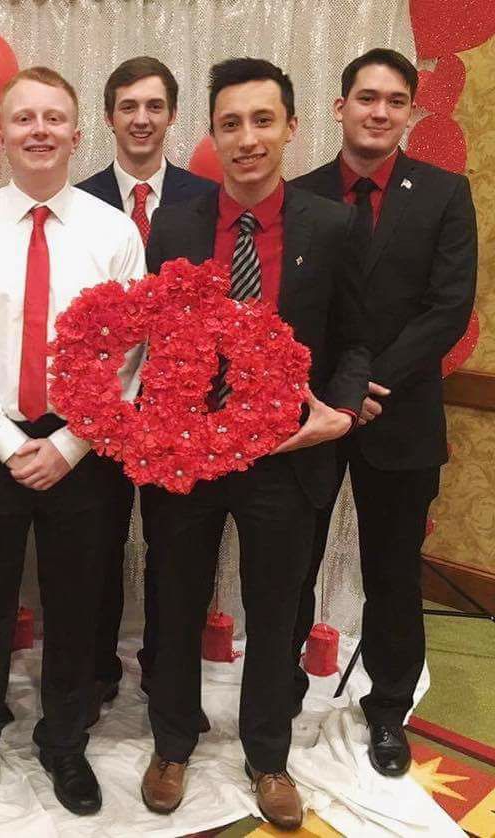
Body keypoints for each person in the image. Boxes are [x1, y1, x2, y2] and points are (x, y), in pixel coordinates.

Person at [141, 58, 369, 830]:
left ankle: (268, 755)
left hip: (286, 457)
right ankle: (172, 740)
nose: (247, 138)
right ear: (212, 133)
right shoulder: (172, 226)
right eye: (231, 123)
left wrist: (338, 411)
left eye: (262, 120)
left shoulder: (332, 226)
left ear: (292, 126)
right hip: (187, 456)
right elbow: (146, 340)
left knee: (278, 613)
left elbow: (356, 341)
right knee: (174, 602)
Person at [0, 67, 145, 830]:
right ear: (3, 132)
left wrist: (73, 443)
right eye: (26, 118)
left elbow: (131, 356)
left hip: (83, 449)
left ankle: (65, 739)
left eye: (56, 116)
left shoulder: (114, 233)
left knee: (77, 605)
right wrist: (7, 441)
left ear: (78, 131)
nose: (41, 130)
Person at [291, 48, 477, 776]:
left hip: (398, 415)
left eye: (395, 101)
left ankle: (387, 710)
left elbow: (448, 308)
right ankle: (275, 698)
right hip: (307, 413)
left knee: (394, 573)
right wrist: (331, 390)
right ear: (340, 107)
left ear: (408, 113)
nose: (379, 111)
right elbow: (289, 314)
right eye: (366, 97)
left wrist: (368, 386)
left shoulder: (442, 193)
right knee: (290, 564)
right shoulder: (298, 194)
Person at [76, 55, 217, 713]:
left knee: (172, 549)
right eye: (128, 106)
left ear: (170, 116)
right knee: (98, 545)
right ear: (109, 117)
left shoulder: (203, 201)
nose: (141, 118)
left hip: (178, 412)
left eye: (154, 106)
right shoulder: (77, 202)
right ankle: (97, 666)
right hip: (101, 408)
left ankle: (164, 666)